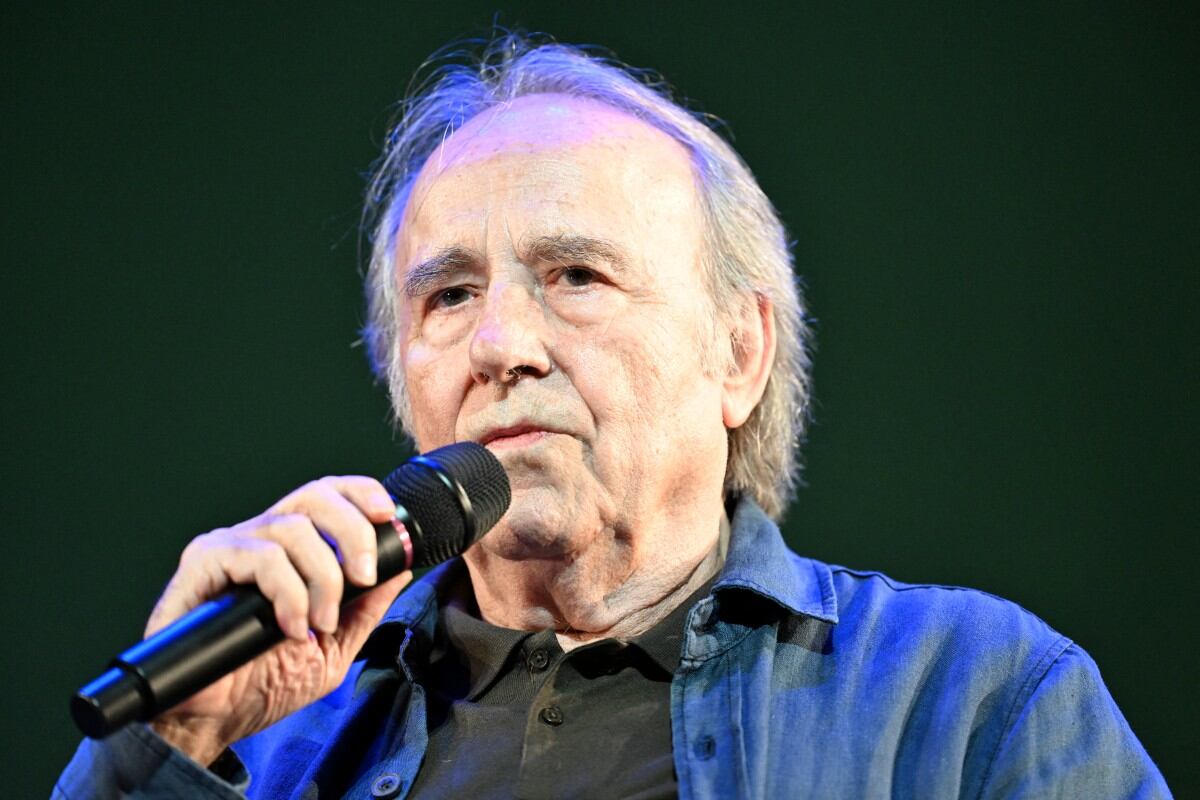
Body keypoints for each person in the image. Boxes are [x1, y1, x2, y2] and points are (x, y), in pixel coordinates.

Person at [55, 33, 1169, 799]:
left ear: (738, 353)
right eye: (449, 295)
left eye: (576, 274)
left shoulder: (972, 698)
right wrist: (177, 739)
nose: (501, 345)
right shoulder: (269, 744)